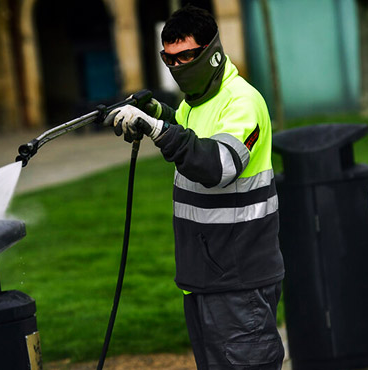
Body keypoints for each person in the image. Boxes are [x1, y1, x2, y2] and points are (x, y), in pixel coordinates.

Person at [104, 5, 285, 370]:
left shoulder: (242, 102)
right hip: (205, 276)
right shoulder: (195, 104)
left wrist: (159, 131)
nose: (178, 66)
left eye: (187, 56)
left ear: (213, 53)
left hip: (239, 279)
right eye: (169, 59)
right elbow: (191, 133)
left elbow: (218, 165)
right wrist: (157, 113)